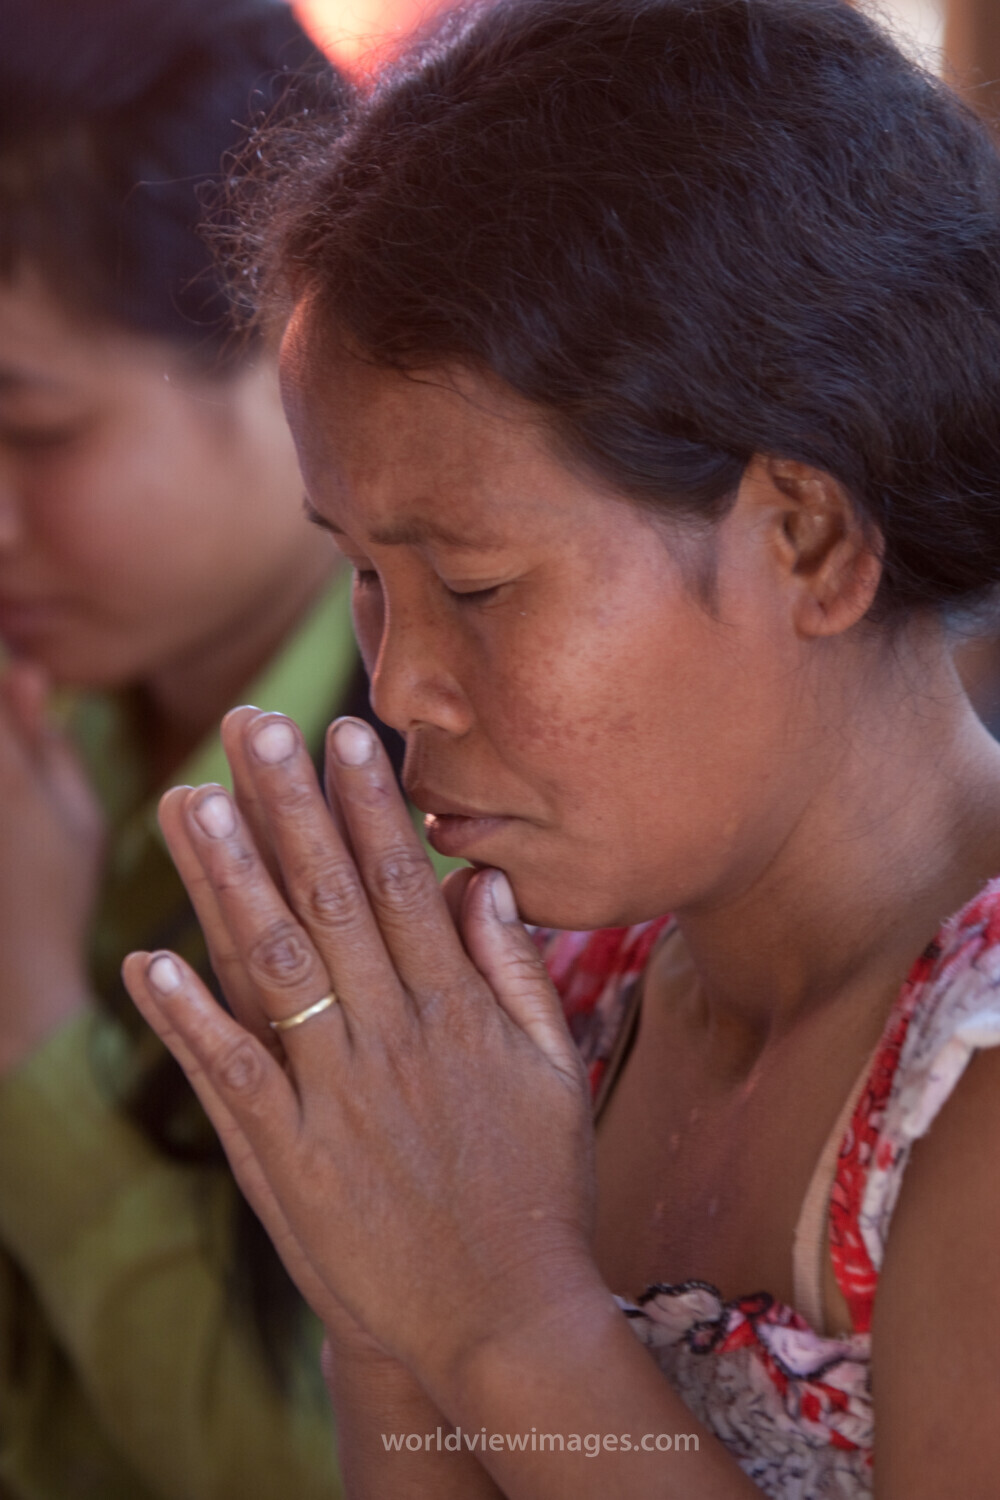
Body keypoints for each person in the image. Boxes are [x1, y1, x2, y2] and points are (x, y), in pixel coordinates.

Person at [122, 0, 1000, 1495]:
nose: (397, 689)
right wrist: (386, 1283)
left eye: (473, 586)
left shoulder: (967, 1089)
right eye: (366, 576)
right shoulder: (555, 1015)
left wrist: (503, 1318)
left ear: (809, 541)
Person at [0, 1, 361, 1495]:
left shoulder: (482, 824)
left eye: (32, 433)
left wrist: (23, 1027)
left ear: (291, 347)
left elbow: (330, 1468)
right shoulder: (59, 699)